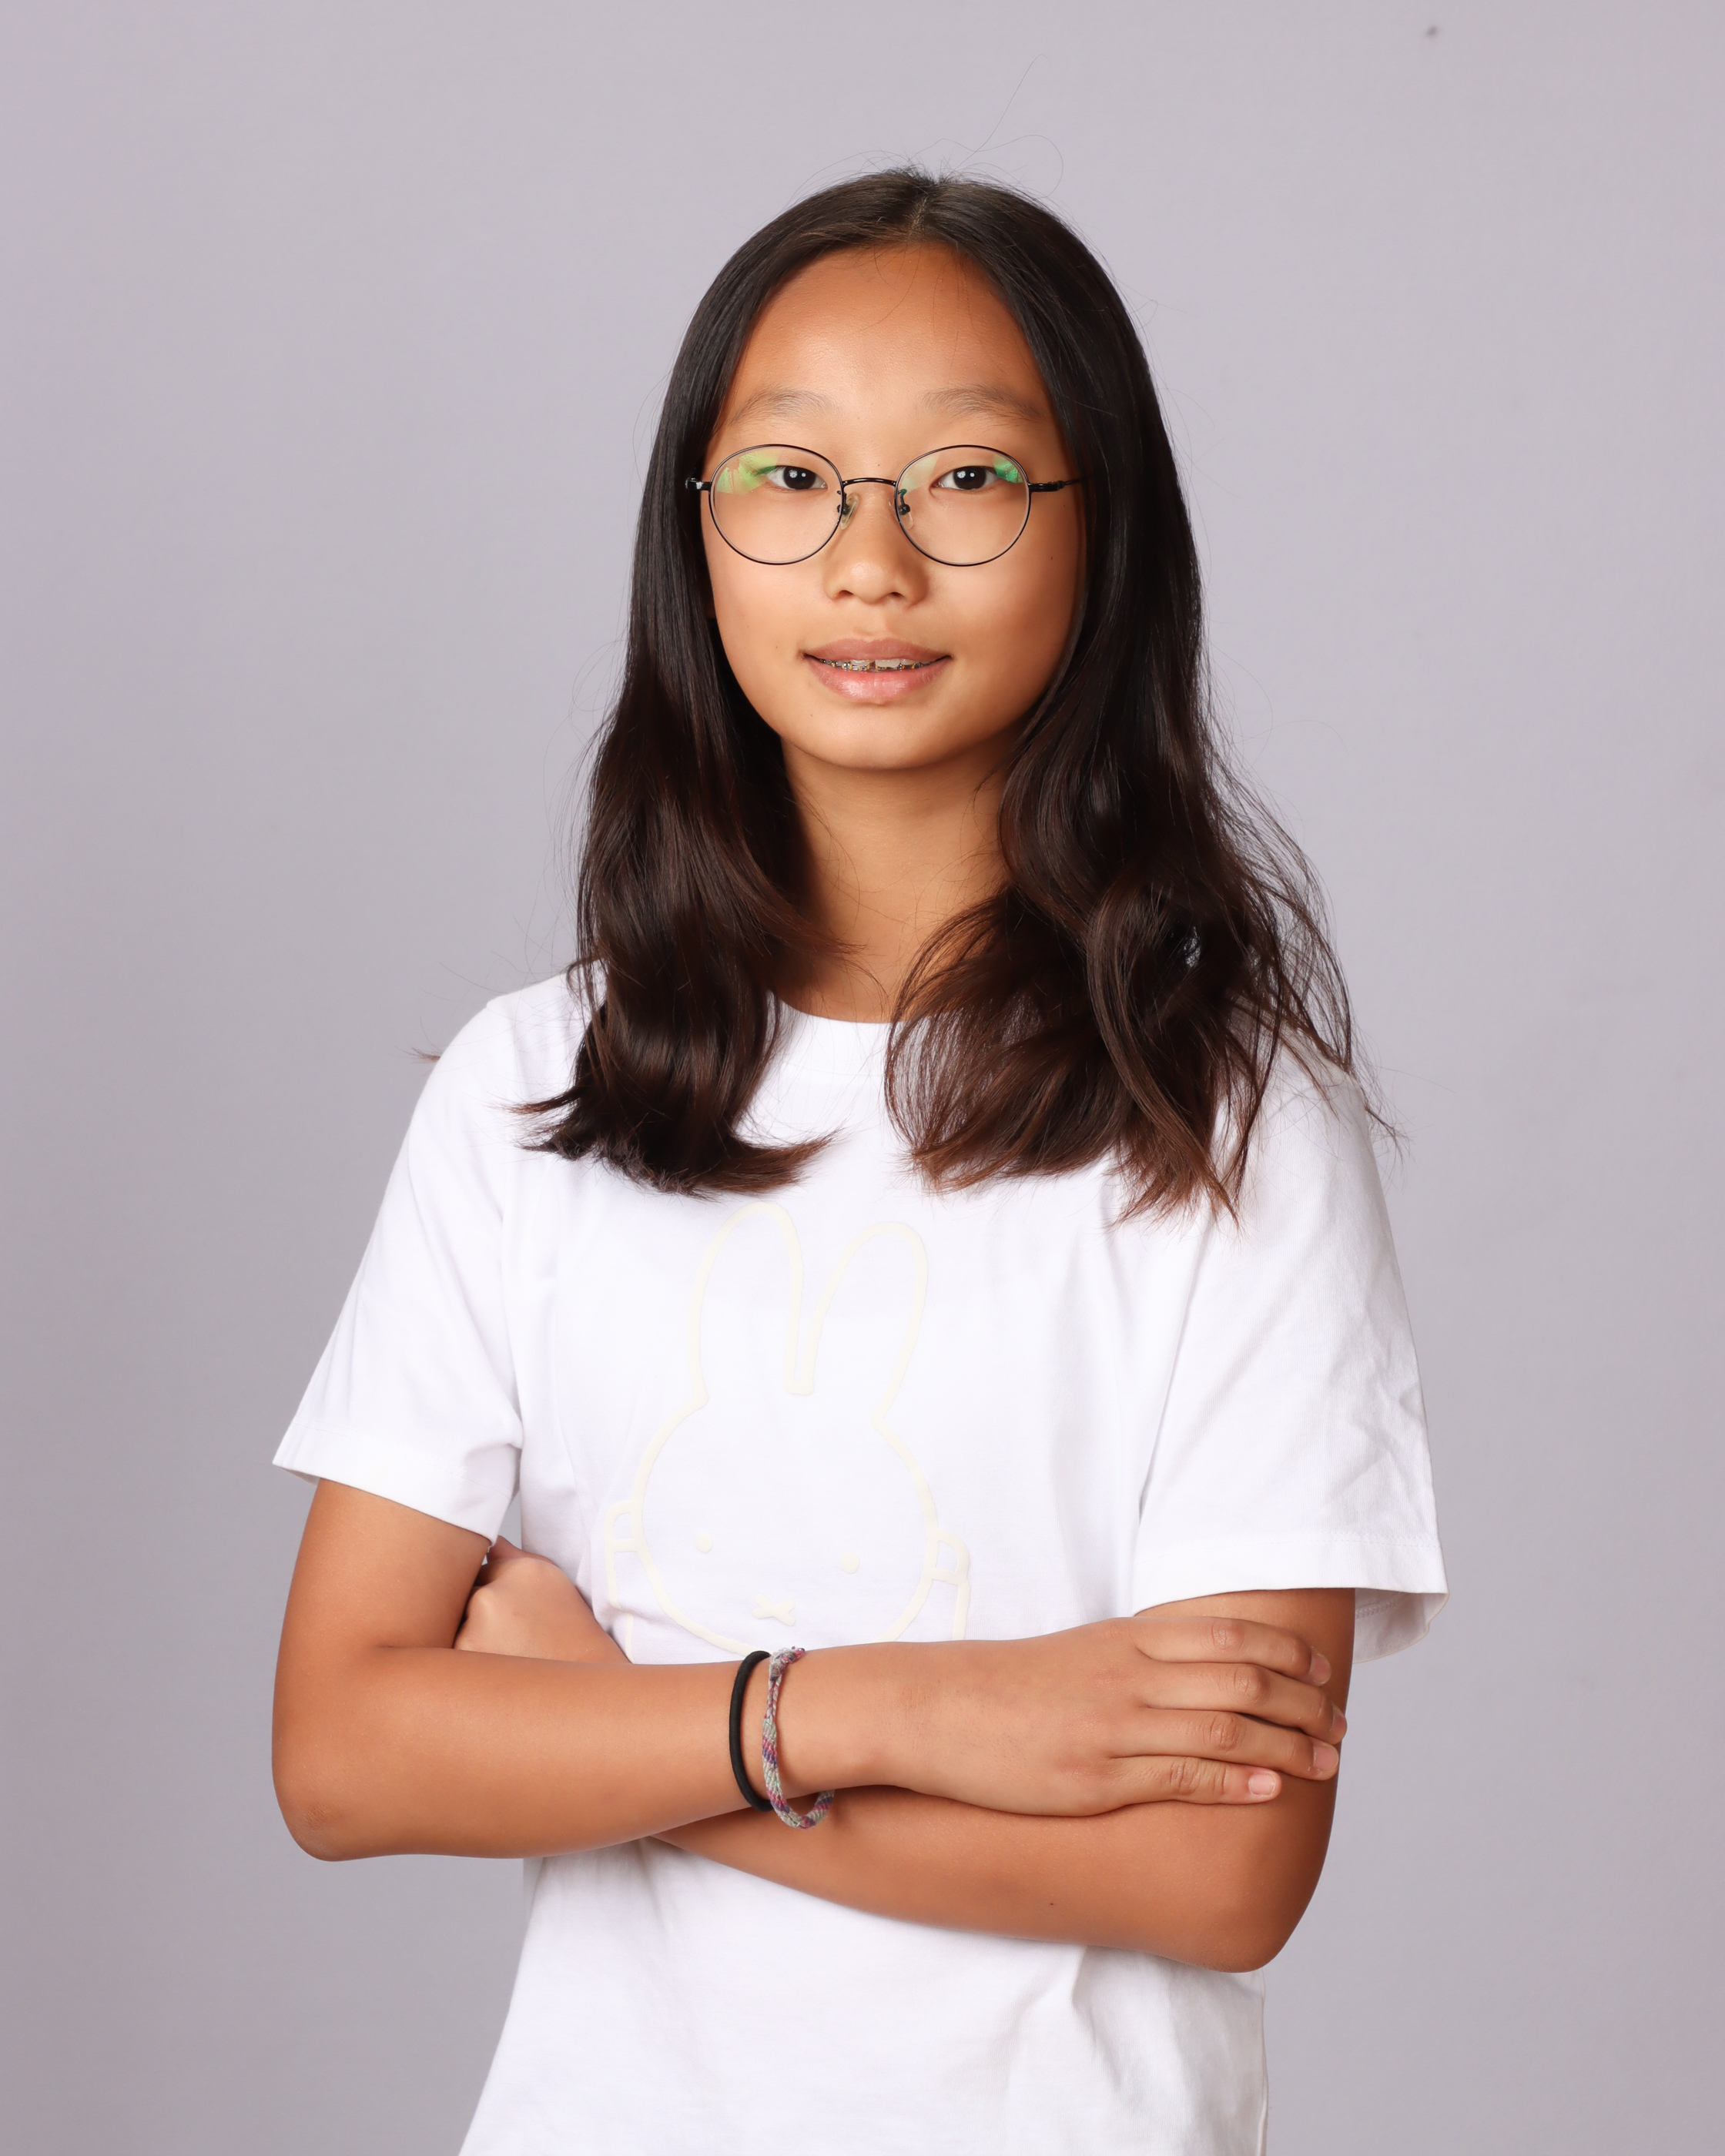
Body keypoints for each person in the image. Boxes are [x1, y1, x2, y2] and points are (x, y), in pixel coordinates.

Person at [271, 169, 1446, 2155]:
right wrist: (895, 1711)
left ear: (1104, 532)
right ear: (698, 531)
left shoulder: (1225, 1122)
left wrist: (620, 1734)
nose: (870, 563)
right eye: (790, 479)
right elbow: (343, 1755)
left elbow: (1220, 1875)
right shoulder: (532, 1089)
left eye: (968, 479)